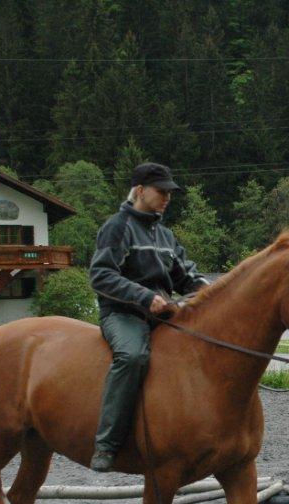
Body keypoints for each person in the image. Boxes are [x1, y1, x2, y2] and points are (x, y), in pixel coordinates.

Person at [88, 162, 209, 472]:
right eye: (162, 191)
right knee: (132, 357)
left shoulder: (165, 235)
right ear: (140, 191)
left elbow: (186, 276)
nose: (167, 198)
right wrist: (144, 297)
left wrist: (212, 291)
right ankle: (107, 444)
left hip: (163, 313)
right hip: (123, 313)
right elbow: (101, 275)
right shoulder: (117, 227)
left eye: (170, 193)